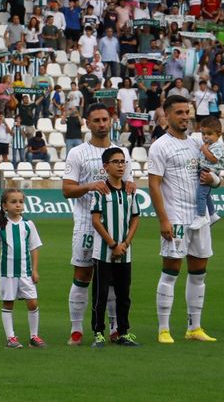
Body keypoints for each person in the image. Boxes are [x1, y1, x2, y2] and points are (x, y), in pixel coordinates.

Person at [147, 95, 217, 344]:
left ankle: (194, 327)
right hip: (175, 217)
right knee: (171, 271)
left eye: (187, 112)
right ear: (167, 115)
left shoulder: (197, 142)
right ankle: (164, 329)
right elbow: (154, 185)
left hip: (199, 217)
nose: (185, 117)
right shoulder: (160, 146)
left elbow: (212, 172)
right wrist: (163, 220)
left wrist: (214, 181)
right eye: (179, 112)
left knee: (199, 273)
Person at [61, 103, 131, 343]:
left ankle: (113, 327)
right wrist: (90, 185)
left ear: (111, 121)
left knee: (113, 279)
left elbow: (128, 186)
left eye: (105, 119)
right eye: (96, 120)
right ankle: (76, 329)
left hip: (115, 229)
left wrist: (131, 186)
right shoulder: (78, 153)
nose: (102, 124)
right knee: (82, 275)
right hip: (86, 225)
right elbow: (67, 190)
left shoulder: (121, 152)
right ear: (87, 124)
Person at [89, 147, 139, 347]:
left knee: (123, 295)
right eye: (116, 162)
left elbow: (135, 219)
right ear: (105, 166)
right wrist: (112, 244)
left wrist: (125, 243)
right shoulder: (101, 191)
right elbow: (96, 220)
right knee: (100, 295)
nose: (120, 165)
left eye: (122, 162)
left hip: (125, 252)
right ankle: (99, 332)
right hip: (104, 252)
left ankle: (123, 332)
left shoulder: (130, 190)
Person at [0, 188, 44, 349]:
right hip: (7, 273)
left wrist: (35, 270)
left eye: (21, 202)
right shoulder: (0, 225)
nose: (18, 205)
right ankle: (11, 338)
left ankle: (34, 336)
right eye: (13, 202)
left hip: (26, 272)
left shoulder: (28, 224)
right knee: (8, 304)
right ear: (4, 206)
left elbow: (34, 247)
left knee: (33, 303)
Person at [195, 116, 224, 223]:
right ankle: (212, 214)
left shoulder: (217, 146)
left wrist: (204, 150)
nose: (205, 137)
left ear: (218, 135)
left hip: (209, 171)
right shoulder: (209, 145)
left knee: (201, 195)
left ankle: (201, 216)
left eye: (209, 134)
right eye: (203, 134)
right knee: (206, 194)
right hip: (205, 170)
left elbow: (213, 159)